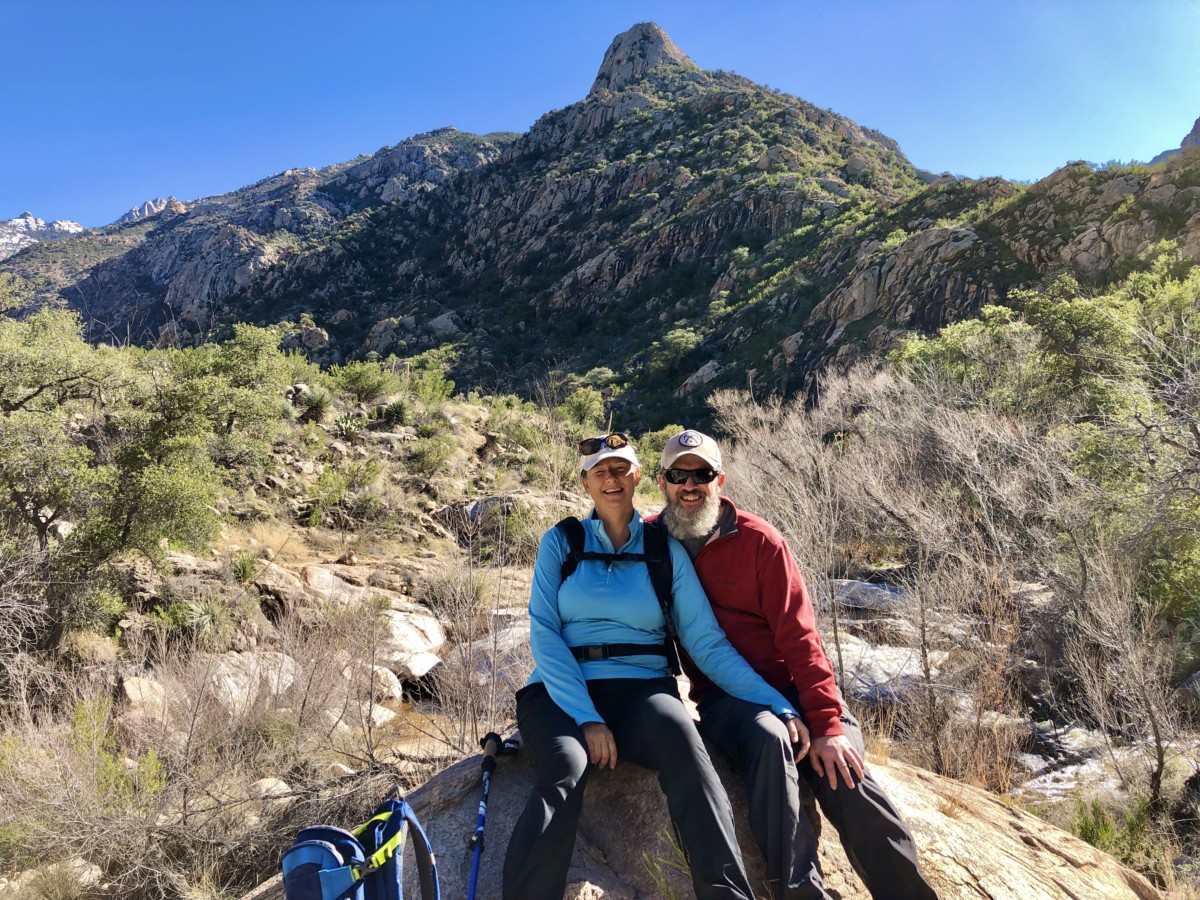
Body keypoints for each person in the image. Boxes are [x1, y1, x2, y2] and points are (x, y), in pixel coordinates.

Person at [502, 432, 810, 900]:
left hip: (643, 690)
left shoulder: (663, 551)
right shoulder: (561, 541)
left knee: (687, 747)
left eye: (621, 469)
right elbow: (544, 633)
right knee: (567, 763)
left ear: (639, 477)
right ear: (586, 483)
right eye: (600, 471)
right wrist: (587, 717)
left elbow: (707, 645)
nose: (612, 479)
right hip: (560, 692)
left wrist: (775, 703)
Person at [653, 429, 938, 900]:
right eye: (678, 475)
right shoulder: (655, 542)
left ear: (719, 479)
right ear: (662, 481)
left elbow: (801, 637)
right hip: (729, 700)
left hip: (795, 688)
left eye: (701, 475)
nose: (689, 486)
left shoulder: (760, 541)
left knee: (847, 776)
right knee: (771, 739)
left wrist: (826, 724)